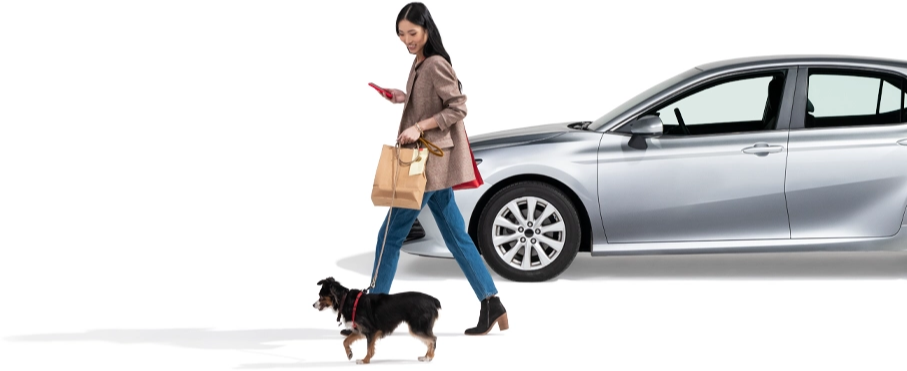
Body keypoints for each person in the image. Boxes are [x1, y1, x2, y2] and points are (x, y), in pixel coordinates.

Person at [347, 2, 509, 337]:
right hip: (433, 170)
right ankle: (492, 302)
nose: (407, 39)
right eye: (401, 34)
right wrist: (402, 97)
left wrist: (419, 127)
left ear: (427, 30)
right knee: (457, 238)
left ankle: (373, 315)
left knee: (390, 236)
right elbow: (430, 100)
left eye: (413, 33)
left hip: (424, 168)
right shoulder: (420, 63)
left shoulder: (435, 63)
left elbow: (458, 106)